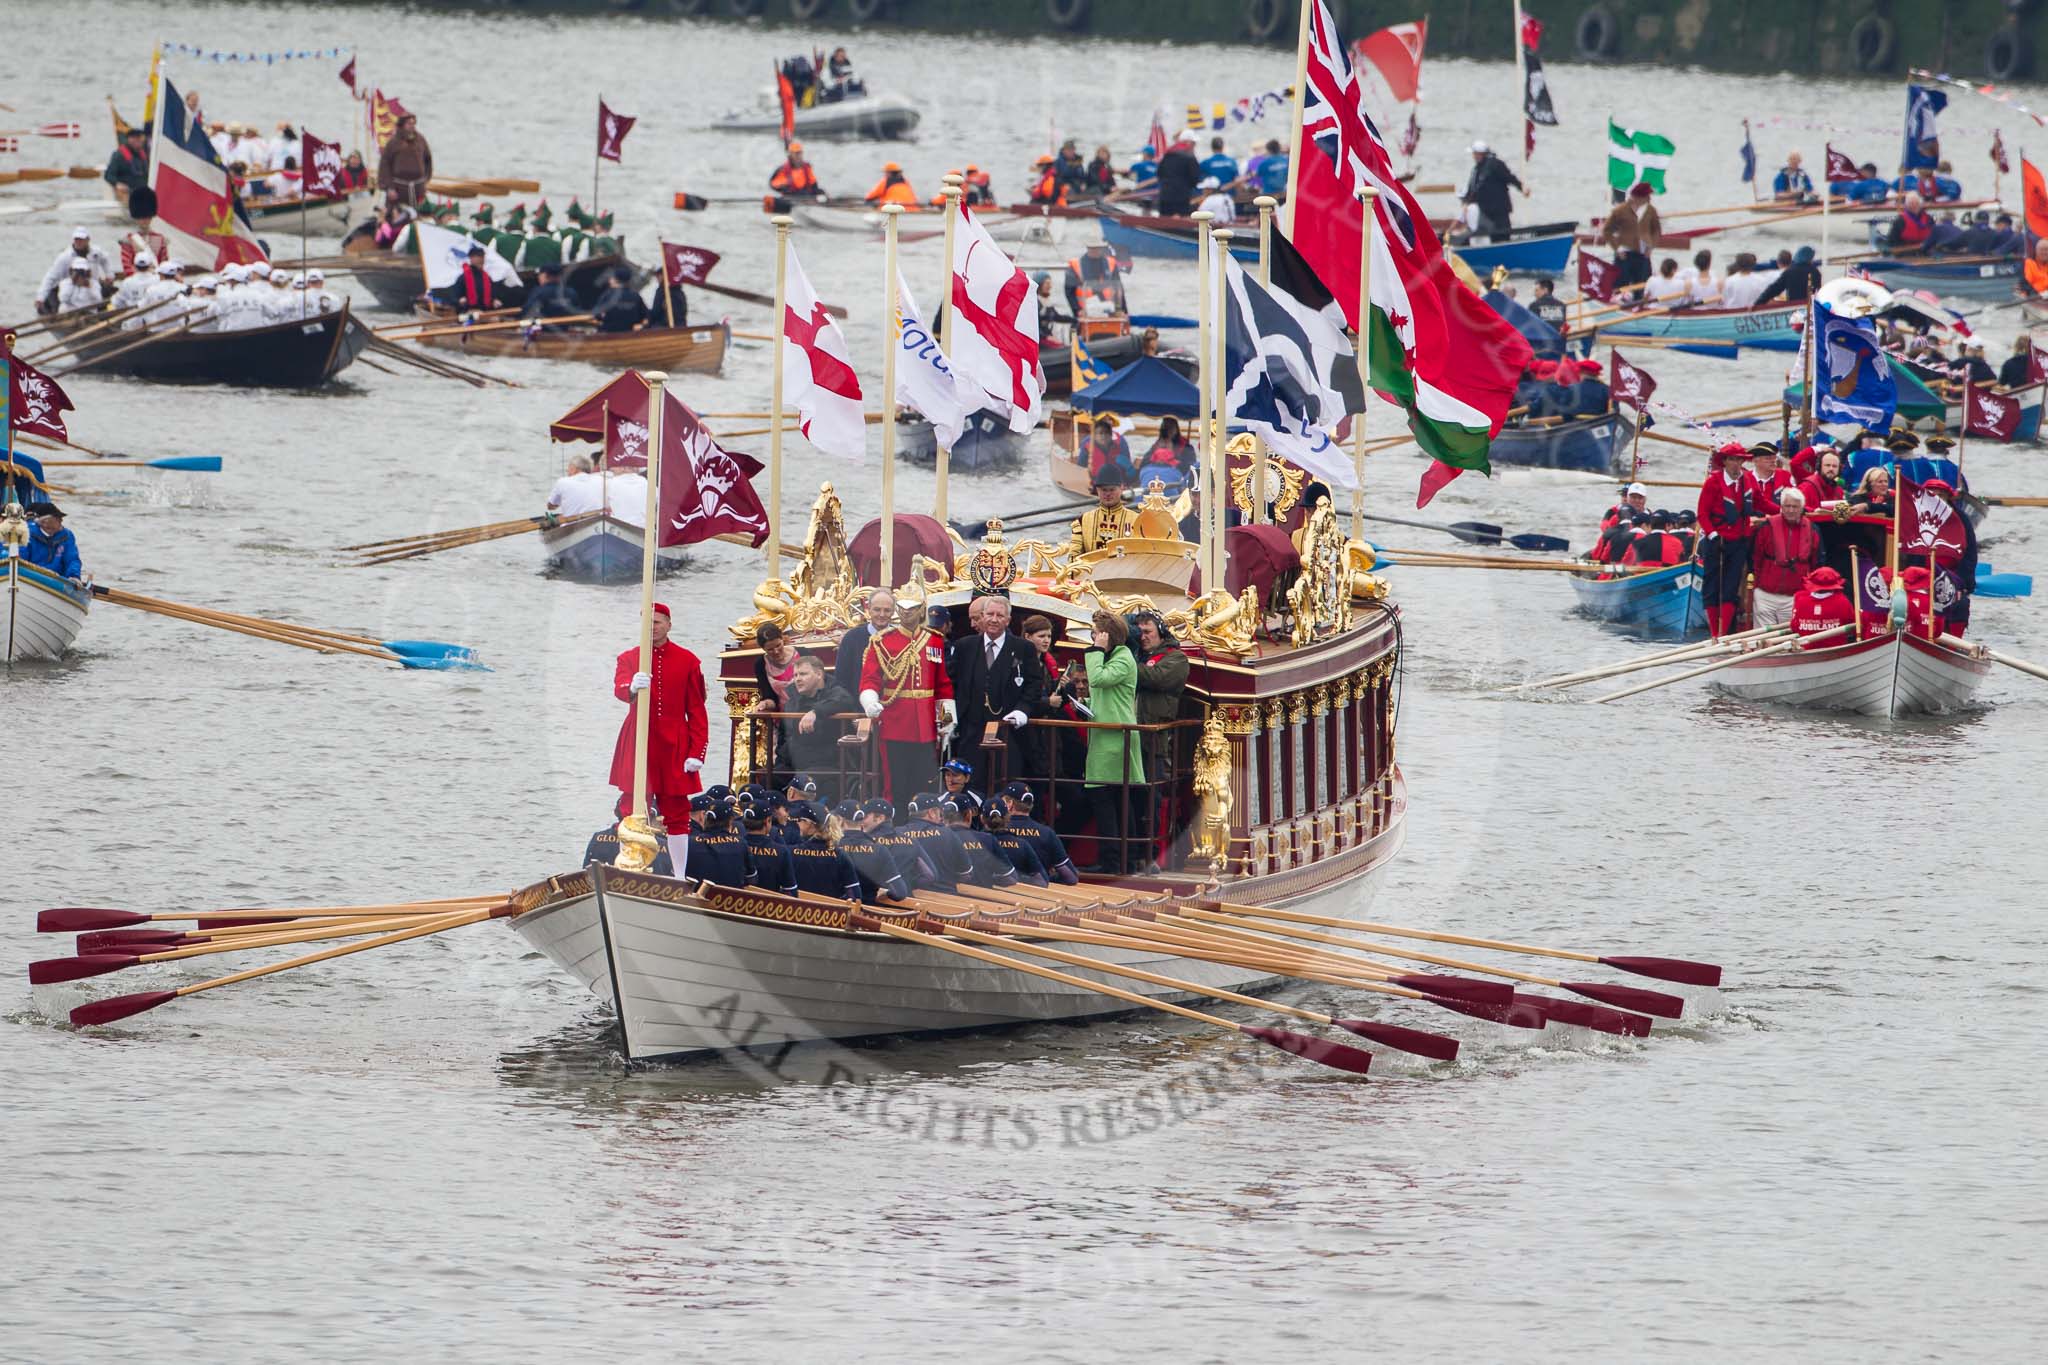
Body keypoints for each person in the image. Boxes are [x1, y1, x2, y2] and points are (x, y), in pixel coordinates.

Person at [608, 603, 709, 822]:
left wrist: (696, 751)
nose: (651, 627)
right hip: (638, 736)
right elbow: (619, 688)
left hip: (674, 740)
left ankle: (678, 858)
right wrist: (631, 687)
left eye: (656, 622)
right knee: (632, 803)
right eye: (646, 623)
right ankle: (630, 854)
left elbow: (696, 711)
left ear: (668, 625)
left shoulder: (688, 660)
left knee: (676, 809)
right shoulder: (629, 658)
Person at [858, 594, 956, 803]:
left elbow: (942, 685)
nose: (906, 612)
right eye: (902, 608)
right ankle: (898, 828)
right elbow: (870, 679)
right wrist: (869, 701)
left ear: (921, 609)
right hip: (896, 722)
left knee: (926, 781)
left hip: (927, 724)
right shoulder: (882, 641)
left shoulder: (934, 639)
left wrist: (947, 719)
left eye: (912, 608)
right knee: (895, 783)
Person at [945, 594, 1044, 794]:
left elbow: (1034, 684)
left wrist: (1022, 711)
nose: (994, 619)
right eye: (990, 614)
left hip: (1008, 731)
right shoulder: (965, 646)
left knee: (1005, 784)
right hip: (970, 729)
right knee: (970, 785)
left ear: (1008, 620)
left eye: (1000, 615)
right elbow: (949, 683)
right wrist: (947, 718)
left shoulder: (1023, 648)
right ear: (982, 617)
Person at [1080, 610, 1142, 874]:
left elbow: (1098, 679)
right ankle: (1117, 859)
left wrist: (1095, 651)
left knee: (1111, 799)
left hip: (1116, 739)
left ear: (1106, 636)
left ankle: (1117, 861)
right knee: (1108, 799)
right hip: (1105, 737)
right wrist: (1082, 703)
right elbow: (1103, 694)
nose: (1092, 638)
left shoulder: (1123, 658)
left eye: (1095, 633)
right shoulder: (1112, 658)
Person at [1132, 610, 1188, 871]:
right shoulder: (1137, 657)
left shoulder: (1175, 659)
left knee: (1150, 799)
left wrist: (1124, 660)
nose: (1142, 638)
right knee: (1126, 796)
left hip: (1153, 742)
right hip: (1129, 739)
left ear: (1162, 633)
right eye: (1138, 632)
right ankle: (1129, 854)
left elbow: (1154, 678)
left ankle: (1150, 855)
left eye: (1147, 632)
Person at [1697, 444, 1756, 637]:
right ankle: (1715, 633)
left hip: (1739, 541)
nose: (1736, 464)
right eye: (1732, 459)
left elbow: (1761, 502)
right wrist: (1713, 534)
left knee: (1731, 588)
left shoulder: (1748, 479)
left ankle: (1723, 633)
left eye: (1739, 460)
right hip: (1716, 540)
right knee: (1712, 586)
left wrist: (1786, 508)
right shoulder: (1712, 482)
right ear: (1724, 461)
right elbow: (1702, 514)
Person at [774, 653, 854, 797]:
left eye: (803, 674)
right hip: (792, 761)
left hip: (825, 762)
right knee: (768, 778)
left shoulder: (835, 691)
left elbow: (845, 701)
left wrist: (816, 712)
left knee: (809, 783)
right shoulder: (791, 697)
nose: (798, 679)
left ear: (818, 674)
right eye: (796, 675)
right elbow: (783, 734)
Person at [1749, 488, 1823, 627]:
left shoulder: (1813, 530)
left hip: (1795, 597)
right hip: (1765, 595)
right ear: (1781, 507)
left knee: (1789, 639)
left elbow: (1816, 563)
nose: (1790, 510)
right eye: (1787, 506)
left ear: (1801, 508)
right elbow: (1755, 557)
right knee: (1763, 640)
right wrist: (1757, 587)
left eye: (1794, 507)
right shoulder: (1767, 527)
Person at [996, 782, 1078, 884]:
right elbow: (1071, 877)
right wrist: (1048, 879)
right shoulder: (1047, 833)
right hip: (1037, 893)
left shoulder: (994, 831)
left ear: (1010, 804)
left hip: (1002, 893)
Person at [784, 802, 864, 901]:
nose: (797, 823)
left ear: (810, 824)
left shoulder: (791, 853)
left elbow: (785, 891)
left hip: (798, 912)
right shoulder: (840, 855)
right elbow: (855, 895)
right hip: (831, 913)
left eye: (800, 820)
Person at [833, 588, 895, 700]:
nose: (882, 614)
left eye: (887, 610)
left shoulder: (899, 637)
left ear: (893, 611)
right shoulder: (851, 638)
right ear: (869, 610)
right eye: (877, 610)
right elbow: (841, 678)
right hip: (859, 709)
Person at [683, 796, 755, 889]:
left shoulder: (689, 843)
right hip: (730, 900)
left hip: (693, 899)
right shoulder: (741, 844)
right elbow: (752, 879)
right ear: (730, 821)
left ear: (705, 818)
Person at [37, 228, 115, 313]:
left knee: (107, 292)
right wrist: (40, 297)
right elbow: (50, 278)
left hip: (90, 284)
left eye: (81, 239)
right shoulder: (64, 258)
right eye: (76, 239)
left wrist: (109, 275)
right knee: (52, 304)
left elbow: (105, 261)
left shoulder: (96, 252)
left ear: (88, 240)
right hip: (70, 287)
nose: (78, 242)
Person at [1600, 183, 1661, 288]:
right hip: (1624, 254)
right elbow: (1607, 230)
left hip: (1643, 254)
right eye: (1647, 196)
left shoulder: (1651, 210)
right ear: (1638, 197)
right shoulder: (1620, 210)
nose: (1649, 198)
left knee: (1642, 286)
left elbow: (1656, 230)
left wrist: (1651, 246)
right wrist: (1617, 248)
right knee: (1619, 286)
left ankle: (1640, 303)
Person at [1460, 138, 1524, 237]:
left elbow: (1510, 178)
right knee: (1488, 234)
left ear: (1481, 154)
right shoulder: (1477, 170)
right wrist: (1465, 202)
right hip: (1485, 210)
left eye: (1475, 153)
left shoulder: (1496, 165)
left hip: (1499, 210)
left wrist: (1522, 188)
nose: (1474, 156)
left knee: (1503, 235)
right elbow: (1472, 188)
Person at [737, 795, 799, 894]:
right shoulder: (781, 852)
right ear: (767, 821)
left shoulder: (735, 847)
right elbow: (790, 890)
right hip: (769, 906)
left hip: (736, 903)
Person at [978, 803, 1050, 886]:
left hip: (978, 894)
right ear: (1008, 818)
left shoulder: (974, 840)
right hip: (1016, 896)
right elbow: (1043, 881)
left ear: (982, 818)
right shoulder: (1022, 845)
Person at [1073, 466, 1137, 554]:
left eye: (1112, 490)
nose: (1108, 494)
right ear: (1097, 490)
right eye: (1104, 490)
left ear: (1121, 488)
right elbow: (1074, 557)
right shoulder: (1081, 521)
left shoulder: (1137, 521)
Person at [378, 112, 433, 206]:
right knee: (396, 217)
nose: (412, 126)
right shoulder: (393, 142)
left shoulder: (420, 140)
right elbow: (385, 166)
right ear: (402, 125)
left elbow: (428, 160)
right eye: (409, 123)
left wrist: (425, 180)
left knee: (420, 215)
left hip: (418, 188)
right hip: (398, 189)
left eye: (413, 123)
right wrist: (389, 188)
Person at [432, 244, 503, 311]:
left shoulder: (487, 277)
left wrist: (494, 300)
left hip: (486, 312)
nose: (482, 259)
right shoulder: (463, 278)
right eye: (478, 256)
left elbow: (493, 295)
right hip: (468, 313)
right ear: (471, 258)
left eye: (482, 256)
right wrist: (459, 301)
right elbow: (454, 297)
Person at [22, 501, 82, 580]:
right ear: (44, 522)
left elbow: (72, 559)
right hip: (31, 577)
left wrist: (74, 576)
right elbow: (21, 559)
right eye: (57, 518)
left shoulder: (67, 535)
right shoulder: (26, 533)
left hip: (58, 580)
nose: (61, 521)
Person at [1064, 243, 1127, 317]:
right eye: (1092, 248)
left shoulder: (1111, 263)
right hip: (1086, 313)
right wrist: (1077, 310)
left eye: (1097, 247)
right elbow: (1069, 292)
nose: (1095, 250)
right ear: (1087, 247)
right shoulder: (1075, 265)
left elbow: (1119, 289)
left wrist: (1121, 310)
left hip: (1110, 311)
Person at [1756, 245, 1821, 305]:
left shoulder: (1790, 271)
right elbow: (1817, 292)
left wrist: (1759, 303)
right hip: (1810, 306)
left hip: (1793, 307)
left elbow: (1775, 289)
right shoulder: (1816, 272)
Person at [1154, 134, 1201, 217]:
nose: (1194, 147)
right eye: (1194, 144)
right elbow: (1195, 179)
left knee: (1164, 219)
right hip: (1181, 198)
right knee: (1181, 220)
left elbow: (1159, 174)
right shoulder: (1190, 157)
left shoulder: (1167, 154)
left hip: (1165, 195)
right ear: (1188, 143)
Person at [592, 267, 650, 333]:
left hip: (609, 336)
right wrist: (642, 325)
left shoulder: (607, 296)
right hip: (631, 336)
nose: (609, 280)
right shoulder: (636, 296)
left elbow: (596, 315)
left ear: (616, 279)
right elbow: (647, 317)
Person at [103, 126, 150, 206]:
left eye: (140, 139)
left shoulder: (144, 155)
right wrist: (117, 184)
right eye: (135, 138)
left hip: (143, 191)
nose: (138, 141)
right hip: (127, 192)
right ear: (129, 139)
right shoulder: (119, 155)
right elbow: (108, 175)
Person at [1744, 442, 1793, 511]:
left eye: (1774, 458)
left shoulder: (1785, 476)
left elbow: (1794, 502)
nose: (1773, 461)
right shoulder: (1745, 478)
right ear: (1755, 461)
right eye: (1768, 458)